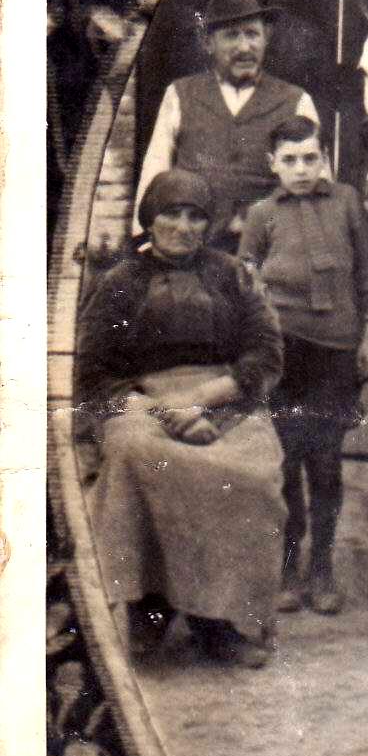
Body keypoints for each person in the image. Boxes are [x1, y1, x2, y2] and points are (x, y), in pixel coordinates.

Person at [77, 170, 286, 670]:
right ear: (150, 218)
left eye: (196, 217)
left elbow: (265, 352)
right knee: (135, 455)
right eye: (171, 214)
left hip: (224, 397)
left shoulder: (232, 274)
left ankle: (220, 619)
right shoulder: (119, 282)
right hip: (143, 403)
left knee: (249, 474)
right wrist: (161, 410)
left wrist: (205, 400)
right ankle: (149, 607)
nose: (183, 226)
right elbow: (94, 371)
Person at [239, 118, 368, 615]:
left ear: (324, 158)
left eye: (310, 158)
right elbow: (245, 285)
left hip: (335, 354)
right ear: (273, 164)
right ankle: (286, 566)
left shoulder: (346, 202)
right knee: (284, 462)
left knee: (325, 462)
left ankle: (321, 567)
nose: (301, 170)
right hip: (283, 356)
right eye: (290, 160)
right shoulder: (262, 214)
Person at [135, 0, 320, 250]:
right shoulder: (180, 94)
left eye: (252, 34)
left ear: (265, 38)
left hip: (269, 249)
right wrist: (147, 238)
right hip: (193, 248)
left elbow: (318, 185)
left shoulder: (297, 100)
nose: (245, 47)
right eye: (232, 35)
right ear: (208, 42)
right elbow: (156, 171)